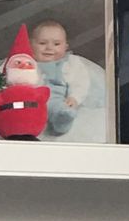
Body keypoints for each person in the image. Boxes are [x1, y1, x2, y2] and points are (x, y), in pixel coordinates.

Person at [28, 12, 108, 141]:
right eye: (42, 43)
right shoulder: (25, 61)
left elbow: (80, 81)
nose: (49, 48)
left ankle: (62, 120)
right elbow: (9, 74)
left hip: (56, 97)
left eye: (56, 44)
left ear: (65, 47)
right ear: (31, 45)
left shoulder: (70, 63)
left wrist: (74, 97)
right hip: (30, 98)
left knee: (58, 107)